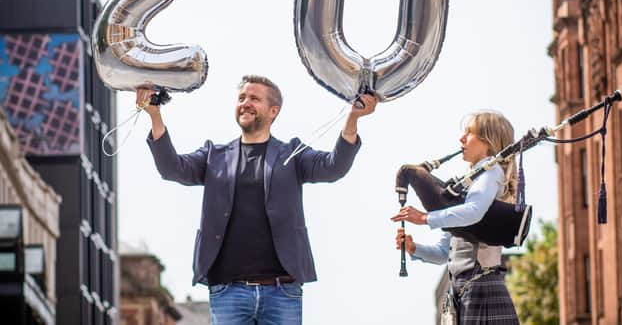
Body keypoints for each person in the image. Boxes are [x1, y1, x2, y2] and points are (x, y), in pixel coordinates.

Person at [137, 75, 377, 325]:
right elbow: (171, 168)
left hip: (282, 291)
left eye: (254, 98)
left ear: (274, 111)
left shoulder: (292, 154)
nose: (245, 103)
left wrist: (353, 118)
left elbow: (334, 167)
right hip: (228, 291)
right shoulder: (213, 156)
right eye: (241, 98)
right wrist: (154, 115)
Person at [391, 111, 519, 324]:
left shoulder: (491, 172)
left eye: (469, 133)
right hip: (464, 293)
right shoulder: (470, 185)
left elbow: (473, 211)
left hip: (481, 289)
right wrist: (414, 249)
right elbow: (444, 254)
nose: (461, 139)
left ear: (488, 141)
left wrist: (425, 217)